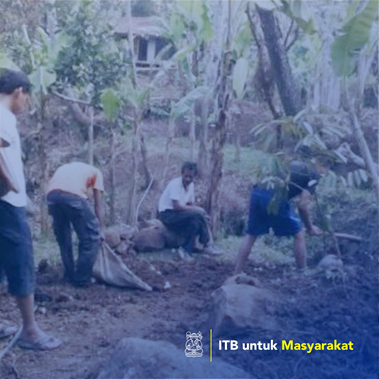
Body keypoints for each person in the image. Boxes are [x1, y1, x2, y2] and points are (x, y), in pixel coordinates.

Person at [0, 69, 61, 350]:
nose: (26, 104)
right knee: (22, 259)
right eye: (26, 98)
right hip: (6, 204)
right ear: (18, 92)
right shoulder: (3, 116)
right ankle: (30, 330)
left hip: (7, 202)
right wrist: (10, 184)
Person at [234, 160, 324, 274]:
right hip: (274, 197)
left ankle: (236, 272)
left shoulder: (295, 162)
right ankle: (303, 272)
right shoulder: (314, 175)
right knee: (299, 234)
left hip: (257, 192)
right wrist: (310, 228)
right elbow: (302, 206)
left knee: (251, 234)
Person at [46, 162, 105, 287]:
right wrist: (101, 230)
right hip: (72, 196)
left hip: (52, 197)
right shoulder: (97, 172)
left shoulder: (66, 168)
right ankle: (82, 280)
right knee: (91, 236)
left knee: (64, 237)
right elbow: (98, 206)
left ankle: (69, 276)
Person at [159, 162, 216, 259]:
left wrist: (196, 211)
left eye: (191, 177)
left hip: (179, 214)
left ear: (194, 177)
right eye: (186, 176)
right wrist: (198, 210)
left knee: (195, 222)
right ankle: (207, 243)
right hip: (168, 215)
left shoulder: (191, 186)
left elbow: (189, 204)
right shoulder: (175, 184)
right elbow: (176, 206)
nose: (188, 179)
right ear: (182, 173)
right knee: (199, 214)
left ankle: (186, 250)